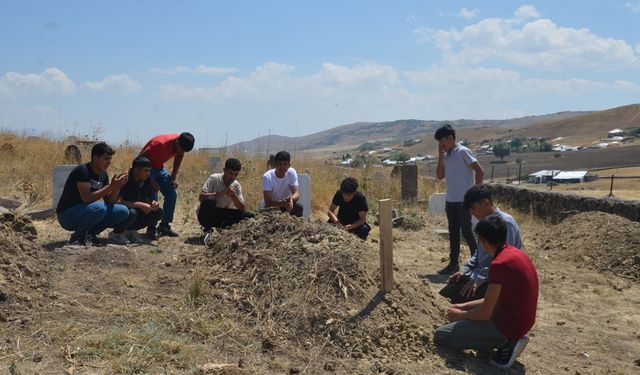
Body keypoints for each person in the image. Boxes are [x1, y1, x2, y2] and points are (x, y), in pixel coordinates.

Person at [434, 214, 538, 368]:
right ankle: (506, 339)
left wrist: (460, 316)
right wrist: (465, 307)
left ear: (483, 240)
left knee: (441, 335)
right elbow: (492, 299)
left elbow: (485, 313)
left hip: (508, 325)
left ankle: (505, 342)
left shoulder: (498, 264)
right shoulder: (516, 253)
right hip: (521, 320)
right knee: (463, 323)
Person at [440, 184, 523, 303]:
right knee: (446, 294)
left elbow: (503, 262)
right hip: (482, 274)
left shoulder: (505, 224)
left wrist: (478, 279)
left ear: (486, 204)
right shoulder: (485, 223)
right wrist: (465, 269)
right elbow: (479, 254)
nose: (471, 213)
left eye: (473, 208)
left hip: (497, 279)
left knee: (456, 301)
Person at [56, 142, 129, 246]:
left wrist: (118, 186)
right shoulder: (83, 171)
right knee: (100, 208)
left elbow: (109, 201)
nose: (109, 162)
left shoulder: (103, 175)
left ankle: (90, 234)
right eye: (106, 159)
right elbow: (86, 199)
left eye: (110, 159)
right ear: (95, 158)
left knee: (122, 211)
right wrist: (111, 187)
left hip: (86, 211)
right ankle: (78, 237)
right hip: (67, 215)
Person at [434, 124, 485, 275]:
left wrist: (476, 193)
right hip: (451, 200)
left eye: (442, 141)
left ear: (451, 138)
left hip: (464, 201)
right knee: (453, 233)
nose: (441, 145)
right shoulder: (446, 155)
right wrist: (440, 156)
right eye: (439, 143)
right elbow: (439, 176)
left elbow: (480, 171)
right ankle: (453, 264)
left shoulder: (463, 152)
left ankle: (477, 264)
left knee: (468, 233)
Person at [139, 132, 195, 237]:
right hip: (147, 169)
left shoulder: (181, 145)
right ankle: (151, 227)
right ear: (177, 141)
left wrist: (173, 176)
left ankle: (164, 226)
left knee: (171, 193)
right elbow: (139, 160)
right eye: (182, 149)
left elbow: (179, 155)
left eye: (184, 151)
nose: (182, 152)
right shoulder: (159, 144)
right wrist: (150, 180)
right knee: (153, 194)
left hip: (160, 168)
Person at [198, 158, 255, 245]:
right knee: (210, 202)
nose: (233, 177)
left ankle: (223, 229)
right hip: (206, 213)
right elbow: (201, 197)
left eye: (236, 174)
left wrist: (233, 196)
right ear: (224, 170)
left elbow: (242, 208)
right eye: (230, 173)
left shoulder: (236, 185)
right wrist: (218, 194)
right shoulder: (214, 178)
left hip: (221, 213)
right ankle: (207, 231)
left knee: (249, 215)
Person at [109, 156, 163, 244]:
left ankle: (129, 230)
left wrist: (152, 204)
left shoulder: (146, 180)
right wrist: (138, 204)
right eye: (146, 171)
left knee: (158, 213)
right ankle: (116, 233)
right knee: (132, 212)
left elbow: (146, 198)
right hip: (119, 214)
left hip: (135, 212)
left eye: (149, 170)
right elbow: (115, 202)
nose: (148, 173)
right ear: (136, 170)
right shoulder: (125, 178)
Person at [261, 151, 303, 217]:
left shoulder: (291, 172)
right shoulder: (267, 177)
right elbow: (268, 202)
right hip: (272, 206)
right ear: (275, 164)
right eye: (279, 163)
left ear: (289, 165)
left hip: (286, 204)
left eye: (285, 164)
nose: (282, 167)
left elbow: (296, 193)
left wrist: (290, 200)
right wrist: (282, 203)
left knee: (299, 208)